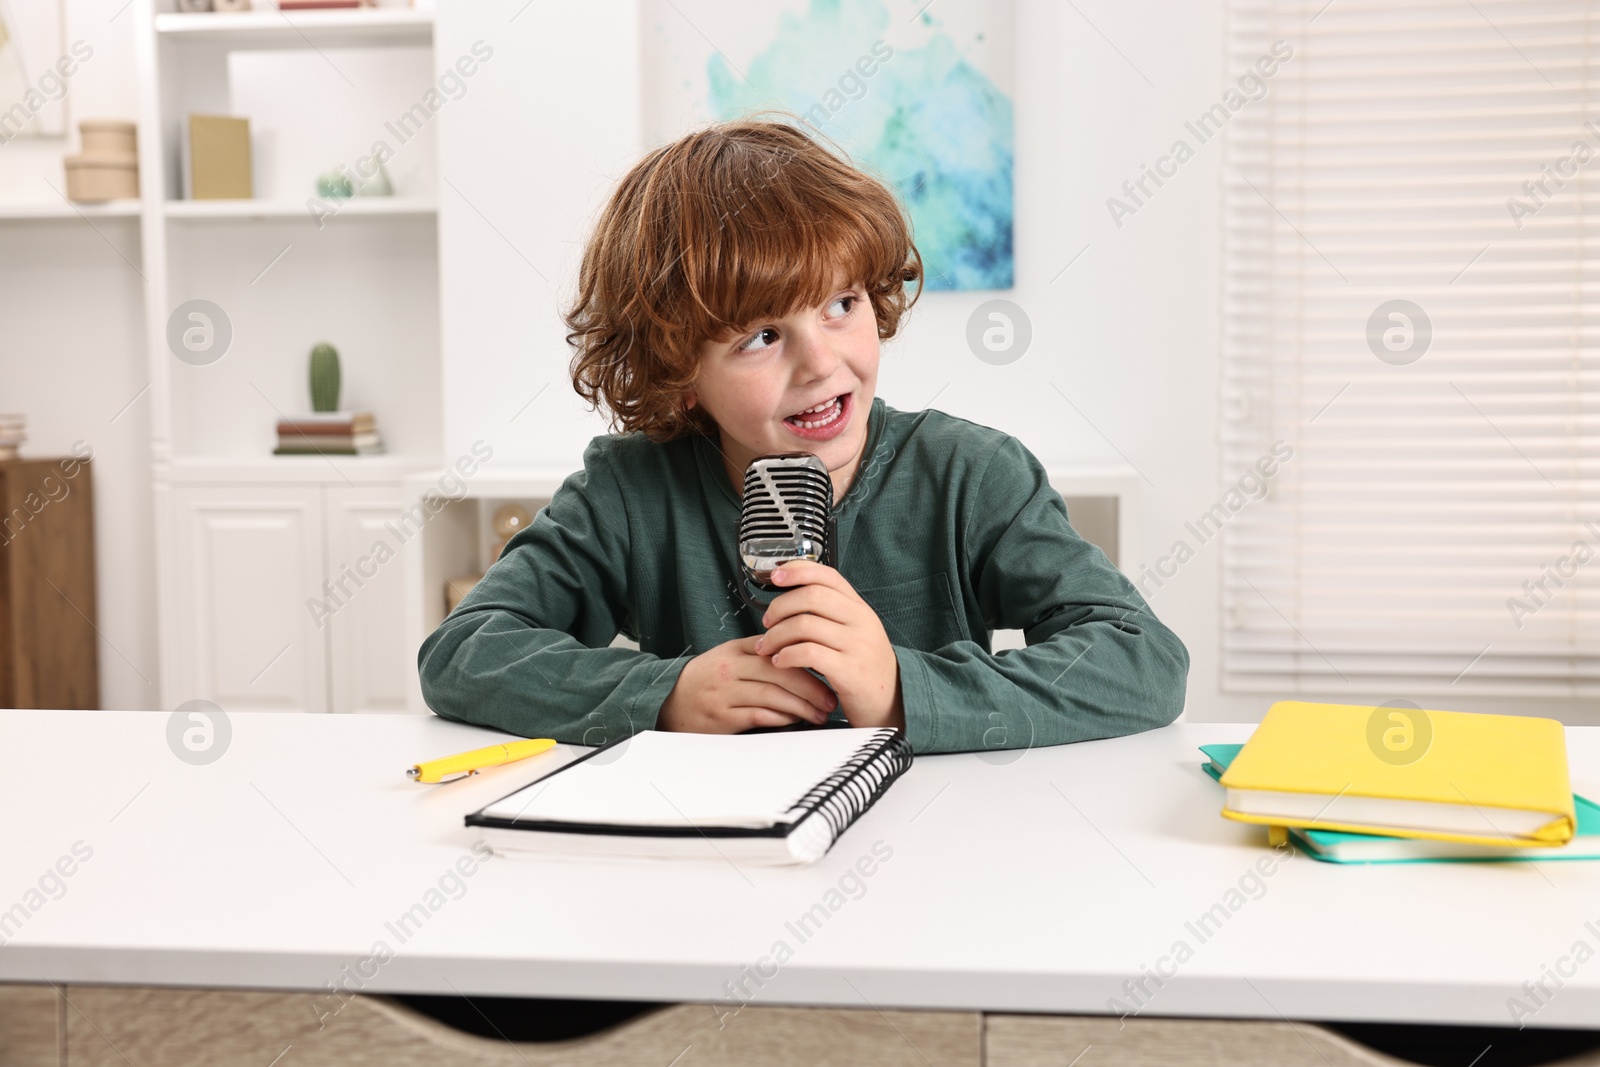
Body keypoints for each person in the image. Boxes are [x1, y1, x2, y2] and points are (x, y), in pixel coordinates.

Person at [418, 115, 1189, 754]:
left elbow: (1143, 661)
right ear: (681, 372)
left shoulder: (973, 476)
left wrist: (900, 688)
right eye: (760, 335)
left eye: (841, 303)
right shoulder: (630, 494)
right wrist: (664, 693)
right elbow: (462, 652)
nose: (822, 362)